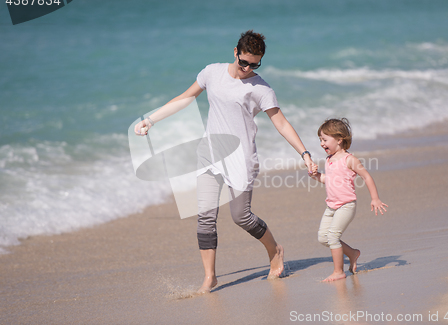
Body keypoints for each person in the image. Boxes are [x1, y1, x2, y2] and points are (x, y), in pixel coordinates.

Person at [134, 30, 317, 293]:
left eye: (255, 64)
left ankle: (274, 248)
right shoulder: (212, 72)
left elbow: (281, 122)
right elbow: (185, 98)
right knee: (205, 218)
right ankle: (210, 277)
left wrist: (305, 153)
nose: (247, 68)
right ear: (235, 52)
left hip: (241, 159)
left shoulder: (261, 88)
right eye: (244, 62)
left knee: (241, 217)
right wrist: (151, 119)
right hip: (210, 155)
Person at [309, 118, 387, 282]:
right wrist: (316, 176)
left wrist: (375, 198)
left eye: (325, 139)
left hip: (346, 205)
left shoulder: (349, 159)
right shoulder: (329, 160)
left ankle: (338, 271)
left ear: (339, 139)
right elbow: (328, 179)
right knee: (323, 237)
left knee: (333, 237)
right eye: (320, 140)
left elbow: (366, 177)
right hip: (331, 206)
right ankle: (352, 253)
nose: (322, 143)